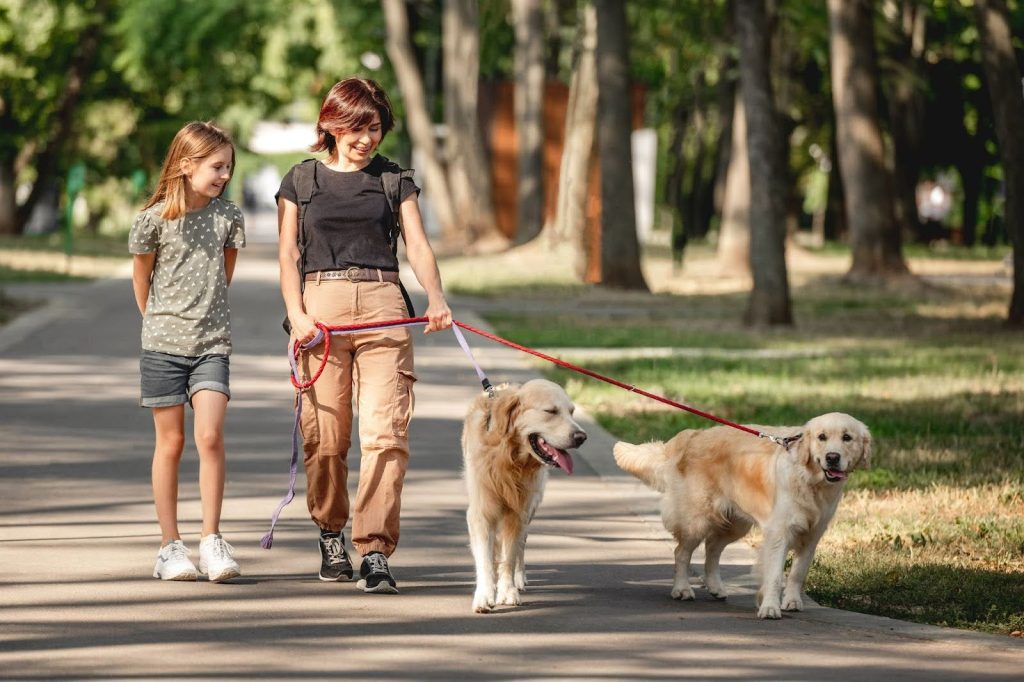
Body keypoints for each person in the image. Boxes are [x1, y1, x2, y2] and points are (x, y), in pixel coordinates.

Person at [277, 77, 451, 594]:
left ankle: (374, 548)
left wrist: (436, 298)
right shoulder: (301, 180)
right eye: (355, 126)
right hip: (320, 311)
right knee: (326, 437)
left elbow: (417, 246)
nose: (365, 138)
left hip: (383, 306)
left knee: (386, 435)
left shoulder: (395, 179)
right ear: (329, 124)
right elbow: (287, 254)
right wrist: (297, 313)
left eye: (374, 127)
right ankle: (331, 531)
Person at [129, 121, 246, 582]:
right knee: (171, 443)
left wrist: (203, 318)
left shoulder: (228, 217)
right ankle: (169, 546)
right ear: (185, 164)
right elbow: (142, 281)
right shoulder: (153, 220)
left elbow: (225, 272)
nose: (224, 175)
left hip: (212, 346)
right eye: (217, 166)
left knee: (210, 437)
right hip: (162, 347)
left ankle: (212, 540)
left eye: (229, 168)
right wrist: (159, 325)